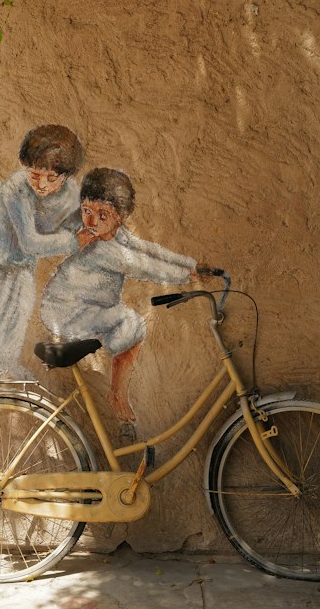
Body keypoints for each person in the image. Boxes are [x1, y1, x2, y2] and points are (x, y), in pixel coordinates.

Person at [40, 166, 201, 436]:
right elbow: (144, 266)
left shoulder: (117, 237)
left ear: (120, 219)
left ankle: (117, 392)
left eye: (102, 216)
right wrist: (189, 276)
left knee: (128, 323)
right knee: (131, 323)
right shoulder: (103, 249)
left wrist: (192, 266)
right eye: (86, 212)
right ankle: (117, 395)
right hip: (66, 311)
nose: (90, 223)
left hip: (81, 308)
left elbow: (147, 249)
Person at [0, 124, 85, 377]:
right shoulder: (16, 189)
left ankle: (6, 370)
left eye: (51, 178)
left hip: (20, 260)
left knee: (19, 310)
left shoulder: (72, 195)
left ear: (66, 176)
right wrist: (75, 242)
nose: (41, 184)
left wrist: (87, 236)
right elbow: (31, 242)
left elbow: (79, 228)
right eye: (34, 175)